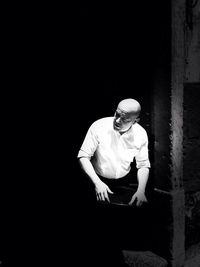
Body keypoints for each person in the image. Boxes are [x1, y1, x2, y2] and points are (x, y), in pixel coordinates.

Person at [77, 98, 151, 266]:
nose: (117, 120)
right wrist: (97, 182)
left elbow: (143, 165)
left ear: (135, 120)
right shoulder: (99, 126)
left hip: (124, 181)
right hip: (97, 180)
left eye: (124, 118)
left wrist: (141, 190)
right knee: (96, 231)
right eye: (117, 114)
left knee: (119, 231)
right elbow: (83, 156)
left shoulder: (140, 134)